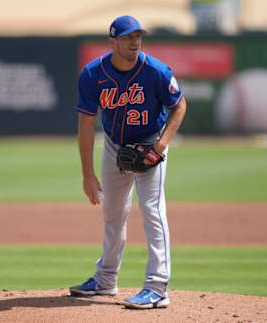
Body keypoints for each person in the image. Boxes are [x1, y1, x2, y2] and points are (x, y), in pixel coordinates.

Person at [69, 15, 187, 309]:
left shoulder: (156, 71)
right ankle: (106, 279)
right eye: (127, 37)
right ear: (113, 42)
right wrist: (87, 173)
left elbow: (179, 106)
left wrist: (160, 147)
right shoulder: (93, 74)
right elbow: (85, 123)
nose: (135, 42)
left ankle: (158, 286)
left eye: (138, 37)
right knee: (112, 212)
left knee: (152, 211)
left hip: (151, 143)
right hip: (114, 146)